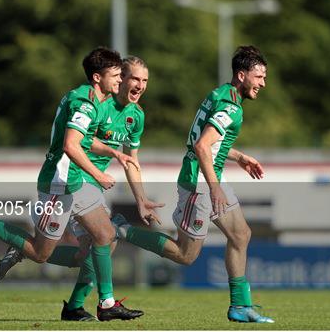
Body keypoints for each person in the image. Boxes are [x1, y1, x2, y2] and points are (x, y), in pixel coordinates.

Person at [0, 47, 142, 321]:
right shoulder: (85, 104)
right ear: (97, 78)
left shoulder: (90, 99)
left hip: (76, 182)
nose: (121, 81)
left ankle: (105, 304)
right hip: (59, 183)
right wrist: (98, 175)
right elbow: (71, 146)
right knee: (40, 253)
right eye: (116, 75)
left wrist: (113, 153)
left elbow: (83, 141)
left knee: (105, 236)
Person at [108, 45, 274, 323]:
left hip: (209, 177)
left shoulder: (221, 94)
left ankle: (241, 306)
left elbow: (208, 142)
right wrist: (214, 187)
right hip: (199, 183)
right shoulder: (230, 106)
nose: (263, 83)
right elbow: (201, 145)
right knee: (186, 255)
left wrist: (239, 156)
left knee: (241, 234)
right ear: (242, 75)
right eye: (259, 77)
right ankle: (122, 230)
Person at [0, 56, 164, 322]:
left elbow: (131, 160)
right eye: (132, 78)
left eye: (145, 81)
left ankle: (74, 306)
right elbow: (75, 143)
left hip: (87, 182)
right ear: (118, 79)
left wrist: (140, 199)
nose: (139, 85)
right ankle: (102, 304)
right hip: (73, 179)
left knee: (88, 251)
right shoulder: (96, 103)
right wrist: (103, 162)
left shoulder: (135, 115)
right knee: (104, 239)